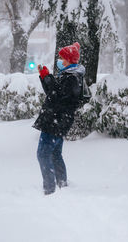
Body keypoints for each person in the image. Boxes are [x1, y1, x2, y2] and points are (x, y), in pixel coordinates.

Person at [33, 42, 85, 195]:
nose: (60, 61)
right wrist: (45, 76)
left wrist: (47, 77)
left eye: (62, 58)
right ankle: (62, 185)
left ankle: (49, 189)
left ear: (69, 61)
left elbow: (56, 97)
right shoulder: (70, 76)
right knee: (55, 154)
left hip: (55, 121)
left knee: (43, 154)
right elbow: (54, 93)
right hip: (59, 121)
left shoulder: (72, 78)